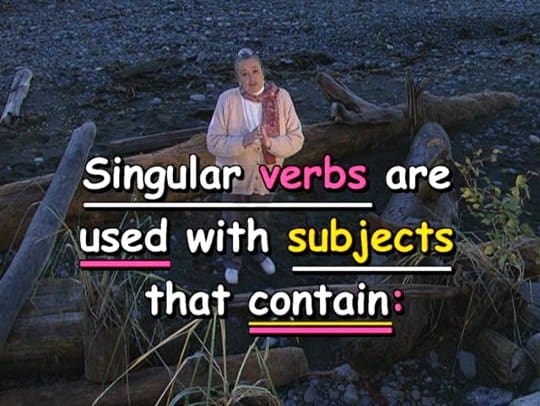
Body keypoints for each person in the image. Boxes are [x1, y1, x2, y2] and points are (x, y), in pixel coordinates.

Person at [206, 48, 304, 284]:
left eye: (255, 71)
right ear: (237, 78)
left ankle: (260, 254)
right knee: (233, 221)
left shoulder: (281, 98)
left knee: (261, 219)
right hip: (235, 178)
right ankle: (232, 262)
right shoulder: (227, 100)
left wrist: (271, 144)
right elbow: (213, 142)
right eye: (244, 74)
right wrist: (243, 141)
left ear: (263, 72)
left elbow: (297, 138)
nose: (251, 79)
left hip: (266, 176)